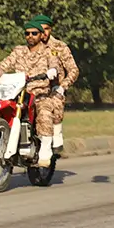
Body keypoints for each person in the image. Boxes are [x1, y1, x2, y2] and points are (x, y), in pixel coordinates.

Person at [0, 20, 62, 167]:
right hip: (17, 90)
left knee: (44, 111)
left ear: (41, 35)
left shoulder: (49, 51)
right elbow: (6, 64)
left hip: (39, 91)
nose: (30, 36)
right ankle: (0, 141)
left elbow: (54, 64)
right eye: (27, 33)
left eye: (34, 33)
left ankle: (44, 149)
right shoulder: (19, 51)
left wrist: (52, 71)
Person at [33, 14, 79, 153]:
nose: (44, 33)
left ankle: (56, 133)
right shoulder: (30, 47)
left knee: (54, 100)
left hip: (53, 89)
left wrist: (63, 87)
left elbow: (73, 70)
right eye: (40, 30)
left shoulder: (59, 46)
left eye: (47, 29)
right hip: (32, 88)